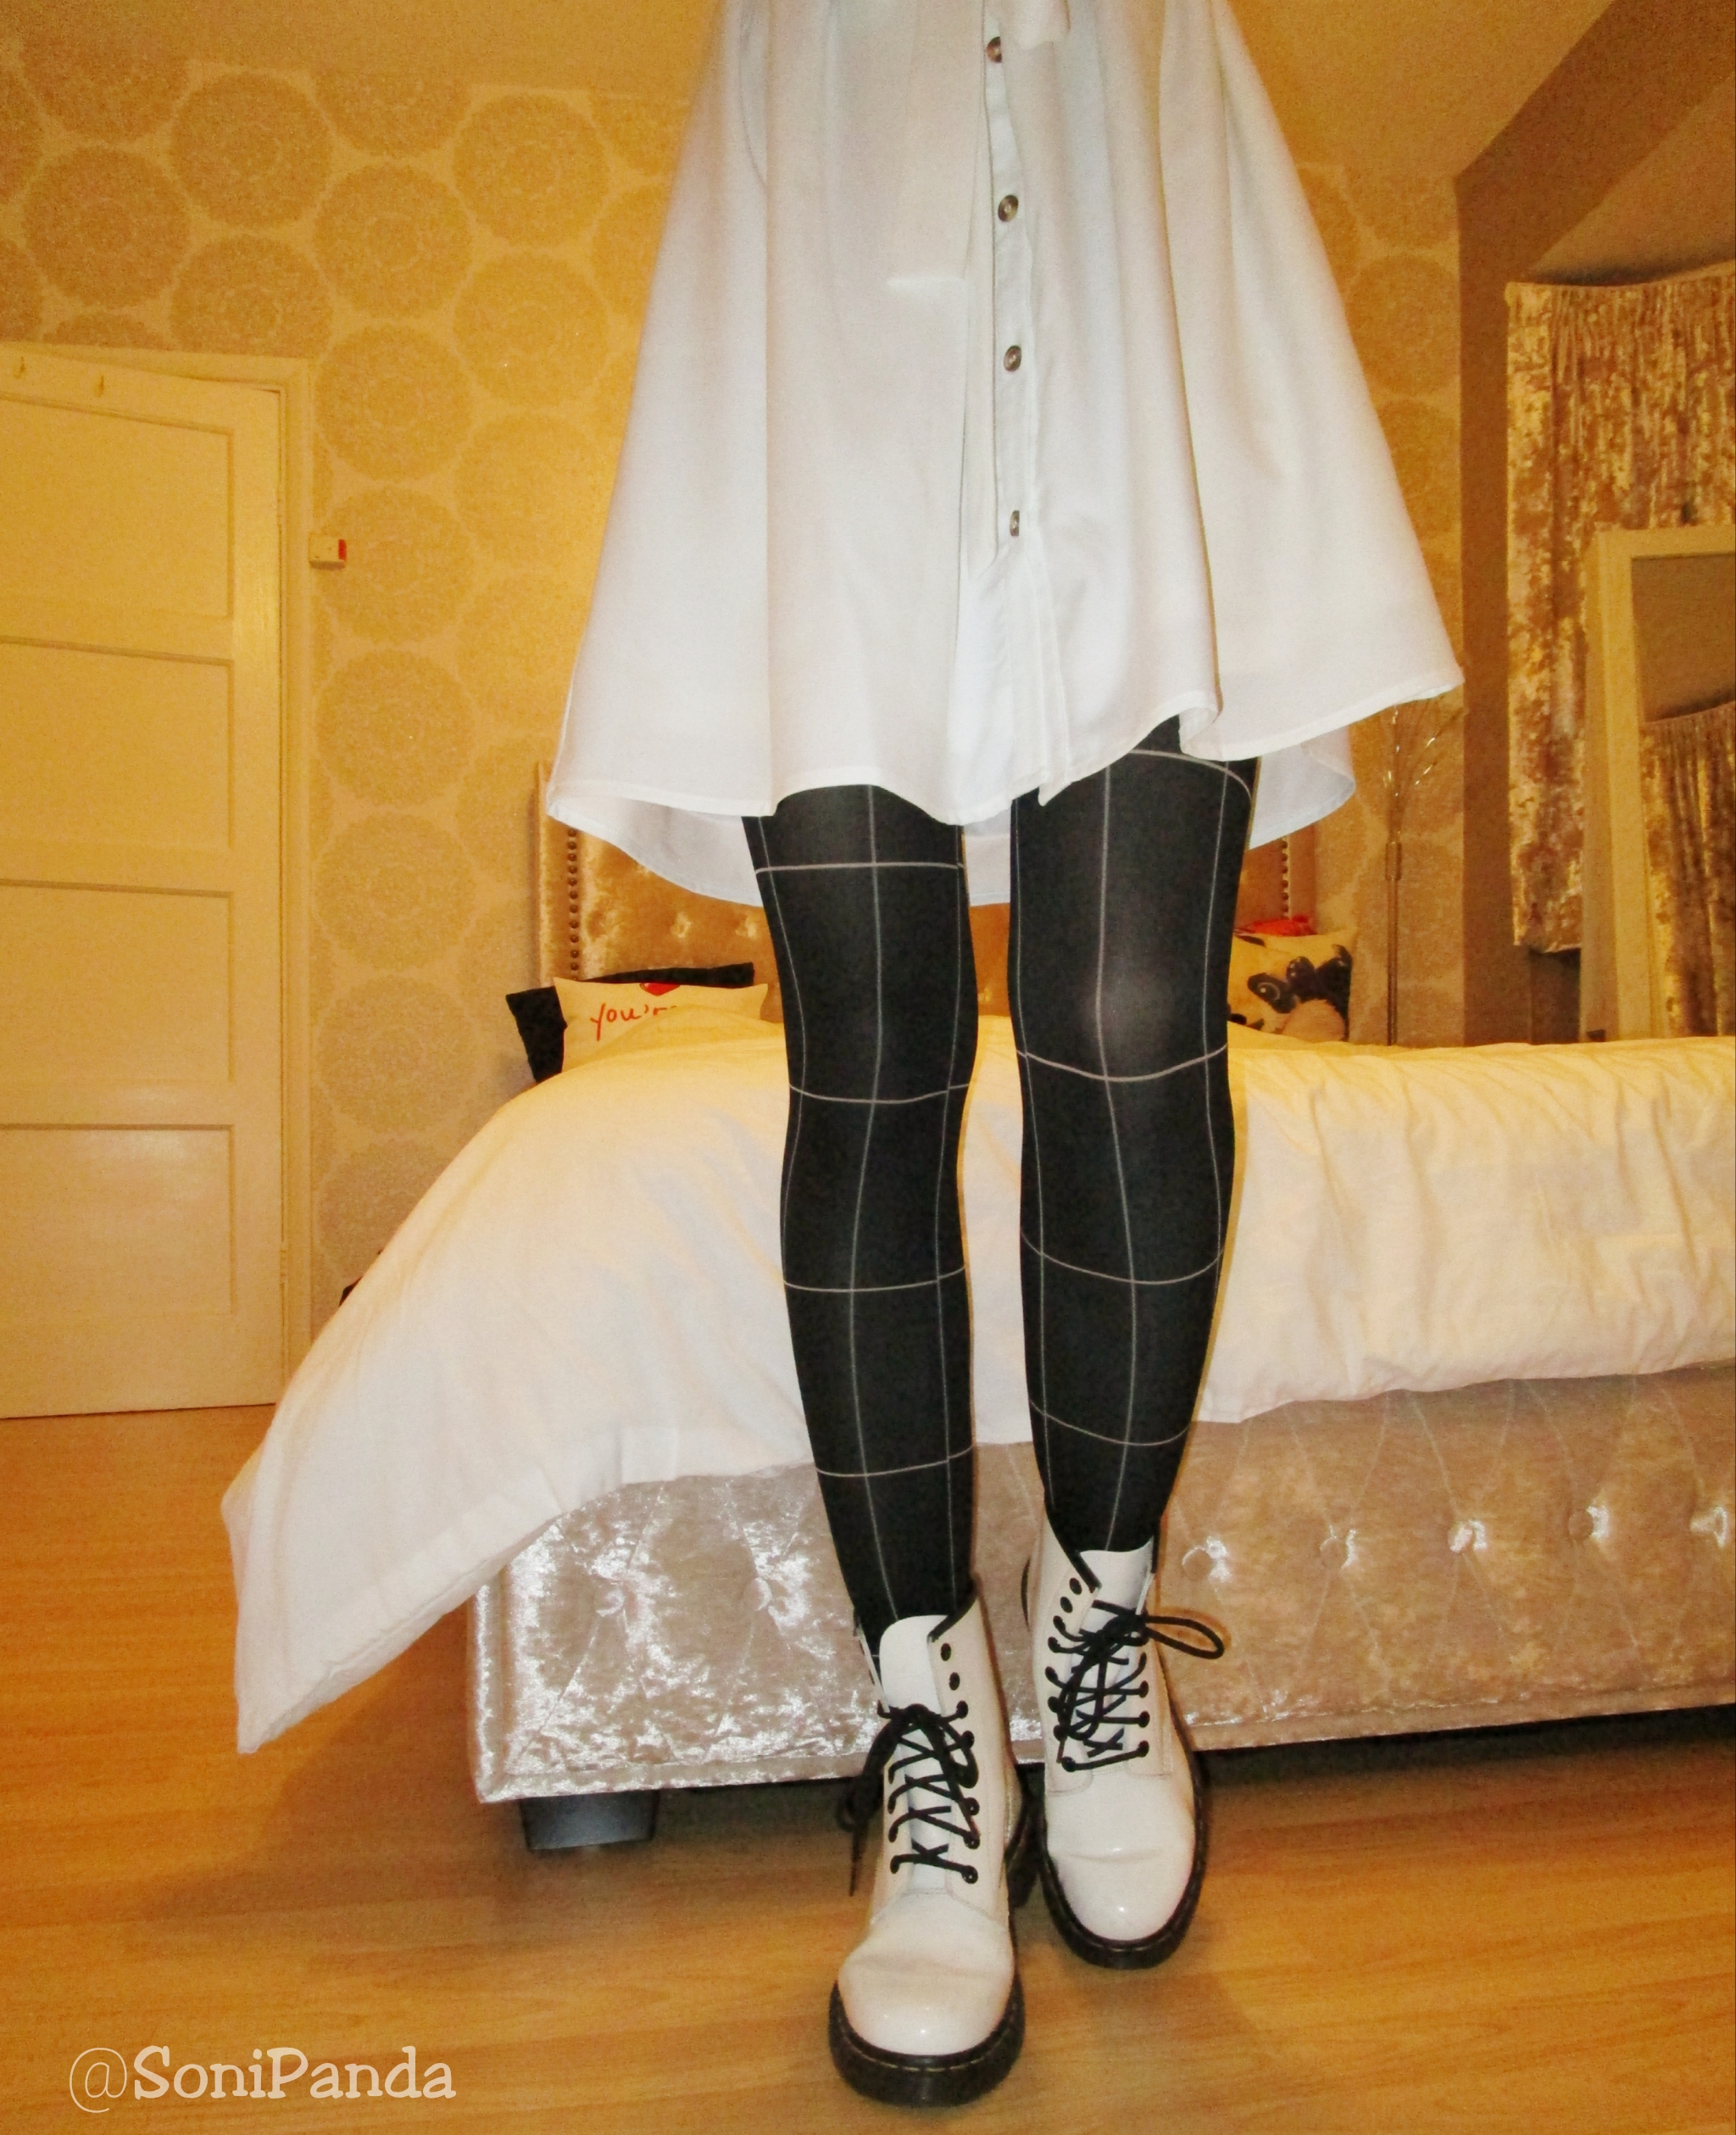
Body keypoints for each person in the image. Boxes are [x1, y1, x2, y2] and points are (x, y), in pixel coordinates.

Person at [548, 0, 1459, 2106]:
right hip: (832, 371)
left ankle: (1097, 1619)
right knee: (868, 1050)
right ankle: (924, 1699)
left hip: (1130, 338)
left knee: (1130, 1026)